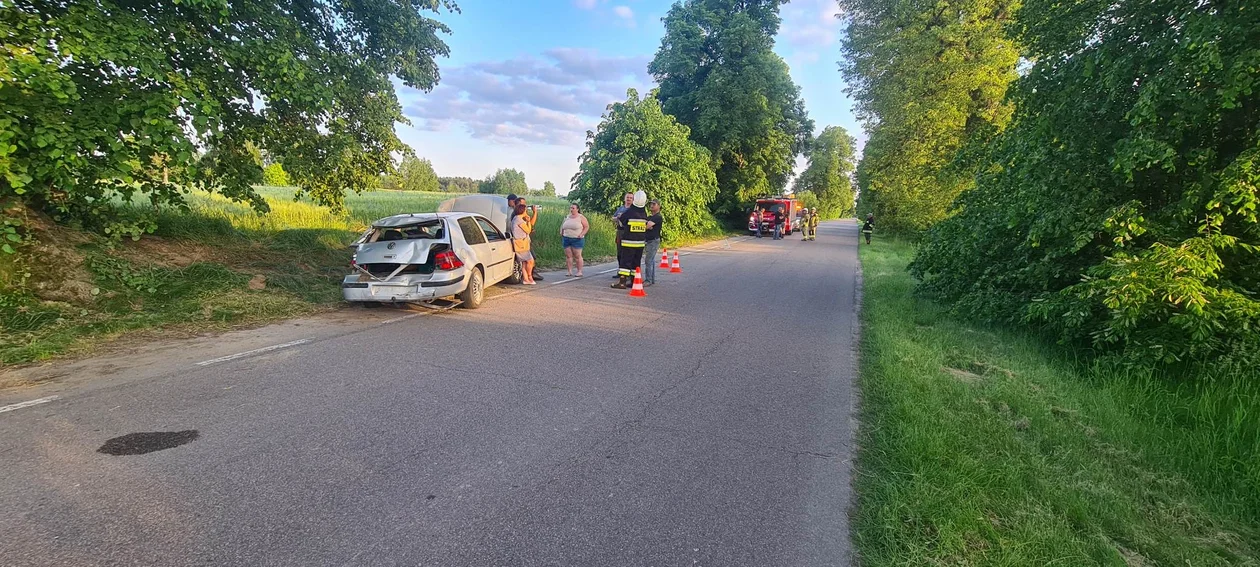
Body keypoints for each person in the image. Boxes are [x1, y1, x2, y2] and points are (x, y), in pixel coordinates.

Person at [612, 190, 649, 289]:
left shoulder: (629, 212)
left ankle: (622, 282)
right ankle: (634, 281)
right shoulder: (644, 214)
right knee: (636, 263)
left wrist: (619, 218)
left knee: (625, 262)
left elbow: (622, 221)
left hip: (628, 242)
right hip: (640, 243)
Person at [560, 203, 589, 277]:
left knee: (577, 255)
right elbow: (563, 225)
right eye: (570, 208)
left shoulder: (581, 217)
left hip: (577, 238)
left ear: (577, 209)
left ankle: (579, 271)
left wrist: (582, 234)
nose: (571, 209)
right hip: (567, 238)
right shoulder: (567, 217)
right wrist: (561, 232)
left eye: (573, 208)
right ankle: (569, 271)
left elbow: (586, 226)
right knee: (568, 255)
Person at [511, 203, 537, 285]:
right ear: (522, 211)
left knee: (524, 263)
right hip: (521, 244)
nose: (526, 212)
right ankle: (529, 276)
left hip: (521, 243)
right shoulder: (519, 220)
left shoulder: (515, 218)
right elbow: (528, 230)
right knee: (530, 261)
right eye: (525, 210)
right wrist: (528, 222)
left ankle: (526, 279)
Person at [642, 199, 663, 286]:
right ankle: (651, 279)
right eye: (651, 204)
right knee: (650, 260)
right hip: (648, 240)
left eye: (654, 204)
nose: (651, 205)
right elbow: (645, 224)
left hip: (653, 241)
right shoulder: (650, 217)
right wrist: (647, 225)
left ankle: (648, 280)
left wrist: (647, 225)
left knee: (648, 260)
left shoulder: (658, 217)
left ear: (658, 206)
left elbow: (647, 226)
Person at [612, 192, 633, 278]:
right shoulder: (620, 208)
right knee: (619, 252)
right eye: (627, 197)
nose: (628, 199)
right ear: (624, 198)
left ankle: (628, 272)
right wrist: (617, 218)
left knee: (628, 252)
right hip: (620, 231)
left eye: (631, 198)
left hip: (628, 232)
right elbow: (613, 218)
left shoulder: (633, 210)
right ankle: (620, 271)